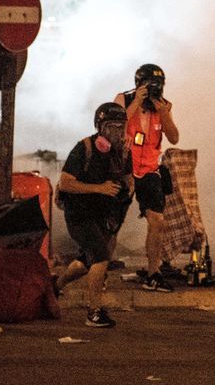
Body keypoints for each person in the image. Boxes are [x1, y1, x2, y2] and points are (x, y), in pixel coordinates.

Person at [54, 103, 133, 328]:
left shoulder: (123, 152)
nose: (117, 132)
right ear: (100, 127)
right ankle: (94, 312)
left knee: (87, 261)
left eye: (121, 127)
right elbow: (66, 183)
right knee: (100, 257)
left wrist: (126, 190)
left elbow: (128, 178)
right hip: (79, 215)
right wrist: (99, 188)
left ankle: (55, 286)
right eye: (111, 127)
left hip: (102, 215)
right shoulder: (84, 148)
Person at [113, 64, 180, 292]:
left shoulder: (163, 105)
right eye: (151, 85)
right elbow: (114, 124)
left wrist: (164, 113)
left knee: (157, 220)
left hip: (150, 168)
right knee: (113, 222)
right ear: (139, 84)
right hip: (124, 168)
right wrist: (136, 102)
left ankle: (154, 272)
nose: (155, 89)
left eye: (159, 85)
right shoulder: (124, 99)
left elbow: (174, 138)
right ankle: (101, 268)